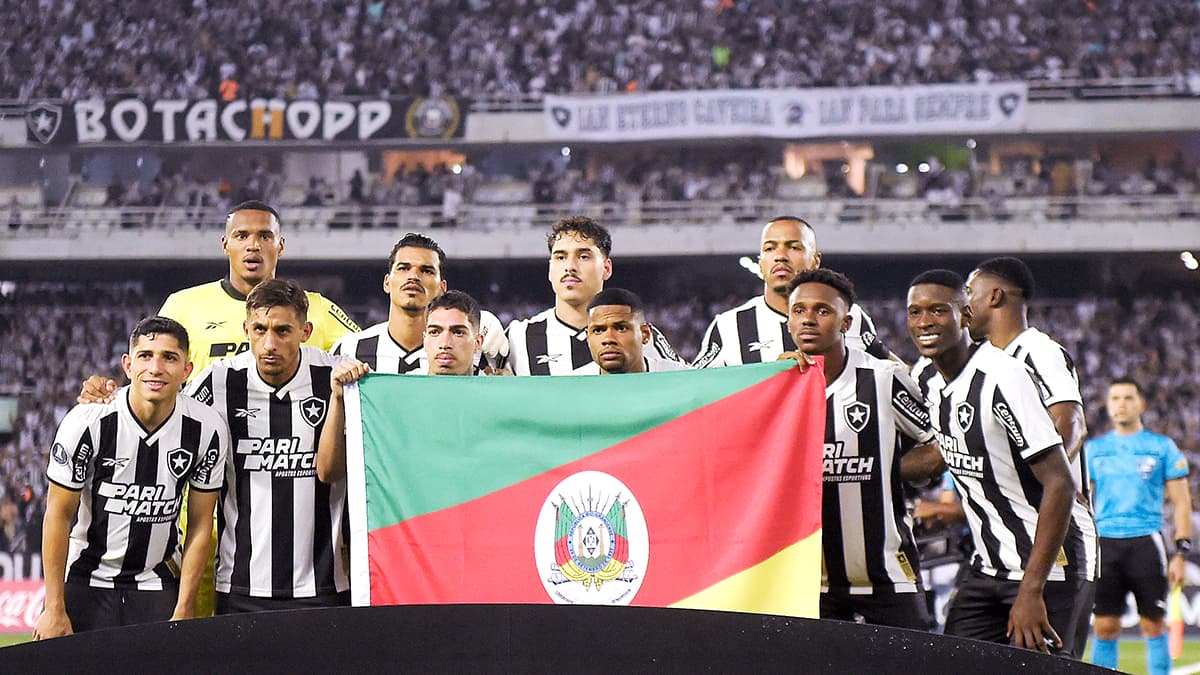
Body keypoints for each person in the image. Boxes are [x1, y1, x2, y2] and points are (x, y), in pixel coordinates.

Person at [906, 269, 1096, 657]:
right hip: (987, 565)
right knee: (952, 661)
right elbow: (931, 457)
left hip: (1048, 566)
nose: (925, 321)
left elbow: (1059, 480)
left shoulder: (1005, 374)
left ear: (965, 316)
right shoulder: (925, 377)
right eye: (915, 312)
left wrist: (1031, 590)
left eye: (938, 311)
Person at [33, 317, 227, 639]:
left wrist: (185, 606)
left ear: (186, 370)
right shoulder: (88, 422)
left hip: (157, 586)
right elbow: (57, 515)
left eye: (169, 357)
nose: (156, 367)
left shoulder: (205, 429)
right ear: (127, 364)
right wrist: (54, 607)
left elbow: (200, 524)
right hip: (85, 582)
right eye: (146, 355)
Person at [781, 269, 942, 629]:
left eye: (822, 311)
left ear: (846, 322)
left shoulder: (882, 378)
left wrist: (885, 469)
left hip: (887, 575)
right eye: (799, 310)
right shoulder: (773, 386)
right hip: (808, 582)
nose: (808, 318)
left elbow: (936, 448)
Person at [185, 279, 350, 613]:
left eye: (282, 331)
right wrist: (105, 399)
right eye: (259, 330)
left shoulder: (336, 378)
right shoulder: (219, 380)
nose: (269, 343)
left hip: (324, 584)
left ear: (305, 330)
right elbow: (164, 413)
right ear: (246, 329)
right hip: (240, 584)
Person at [157, 200, 359, 378]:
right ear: (225, 245)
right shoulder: (182, 306)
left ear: (280, 246)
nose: (253, 245)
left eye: (264, 236)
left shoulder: (317, 308)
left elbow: (369, 355)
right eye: (242, 236)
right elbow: (155, 370)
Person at [317, 290, 486, 484]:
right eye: (435, 332)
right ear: (425, 339)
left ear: (478, 342)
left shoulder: (497, 397)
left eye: (458, 332)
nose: (445, 343)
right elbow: (328, 472)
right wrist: (337, 399)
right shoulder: (394, 396)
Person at [1088, 379, 1192, 675]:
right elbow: (1076, 500)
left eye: (1128, 398)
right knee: (1105, 626)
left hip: (1146, 543)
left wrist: (1181, 551)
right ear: (1108, 406)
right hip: (1105, 544)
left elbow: (1181, 503)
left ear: (1141, 404)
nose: (1121, 403)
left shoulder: (1161, 447)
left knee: (1153, 623)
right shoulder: (1094, 450)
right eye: (1115, 398)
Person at [694, 215, 891, 369]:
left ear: (815, 260)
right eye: (770, 248)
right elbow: (699, 390)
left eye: (794, 247)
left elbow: (889, 374)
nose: (780, 256)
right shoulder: (729, 326)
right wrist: (773, 377)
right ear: (761, 262)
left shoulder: (851, 316)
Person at [505, 215, 684, 375]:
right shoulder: (517, 338)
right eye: (561, 257)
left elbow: (685, 385)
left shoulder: (639, 334)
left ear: (606, 268)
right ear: (550, 270)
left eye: (583, 256)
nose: (570, 267)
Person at [330, 233, 507, 375]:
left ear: (442, 288)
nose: (413, 276)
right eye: (403, 268)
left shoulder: (477, 349)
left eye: (426, 270)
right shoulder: (349, 349)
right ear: (387, 282)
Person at [574, 288, 691, 375]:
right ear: (588, 338)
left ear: (645, 334)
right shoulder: (574, 386)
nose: (608, 339)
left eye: (621, 328)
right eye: (598, 330)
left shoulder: (681, 378)